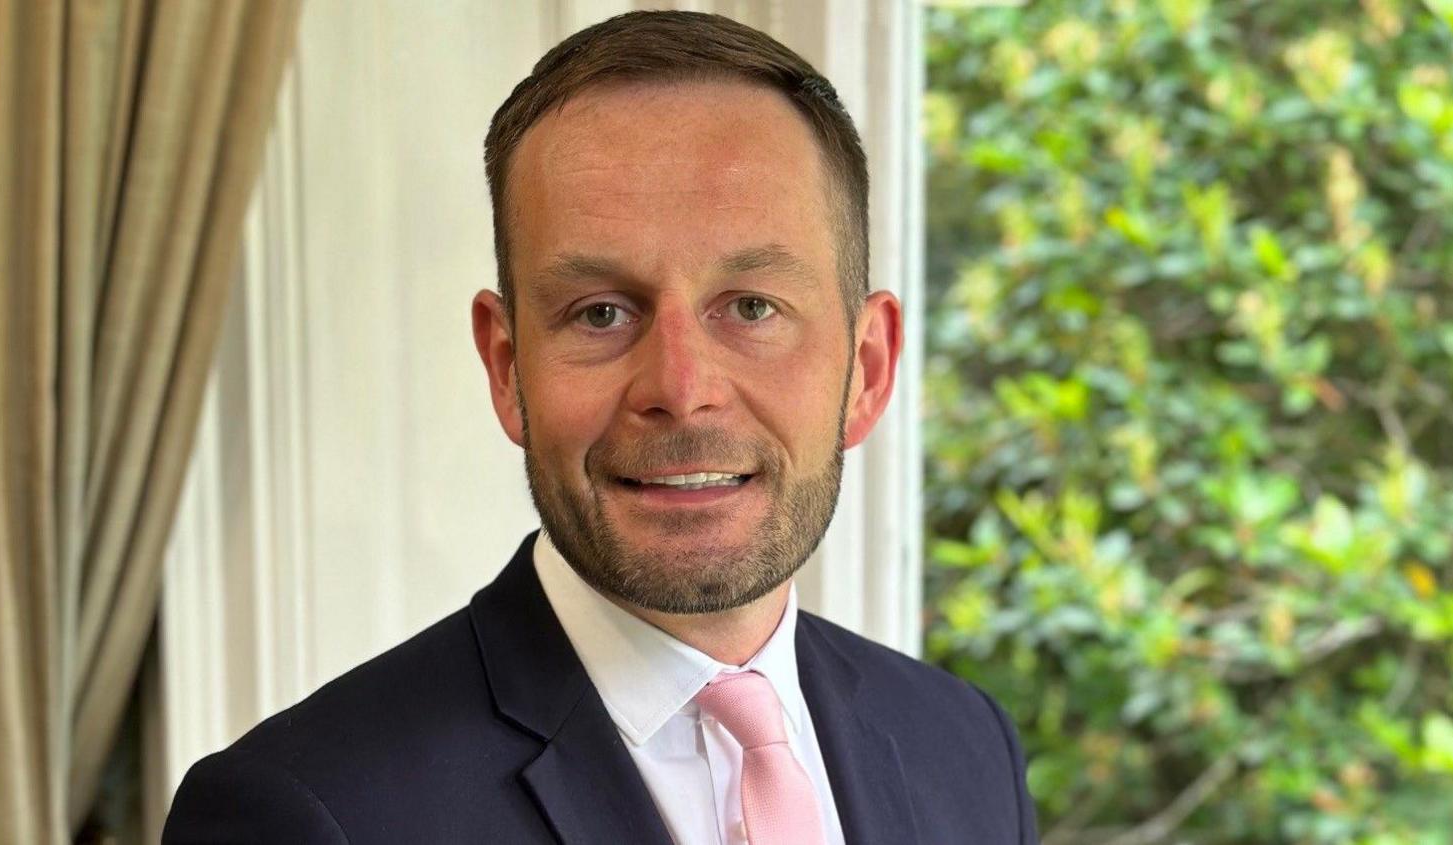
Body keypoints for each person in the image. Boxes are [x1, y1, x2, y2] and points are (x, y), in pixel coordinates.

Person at [164, 11, 1039, 844]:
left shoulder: (966, 747)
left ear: (869, 366)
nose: (680, 388)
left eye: (751, 306)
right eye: (600, 313)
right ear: (507, 367)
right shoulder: (309, 813)